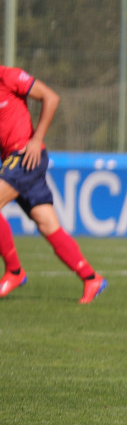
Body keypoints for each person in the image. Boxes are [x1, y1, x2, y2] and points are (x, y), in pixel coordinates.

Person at [0, 66, 107, 303]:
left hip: (25, 158)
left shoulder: (8, 76)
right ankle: (91, 278)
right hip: (13, 162)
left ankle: (15, 272)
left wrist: (37, 139)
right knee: (48, 225)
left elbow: (51, 97)